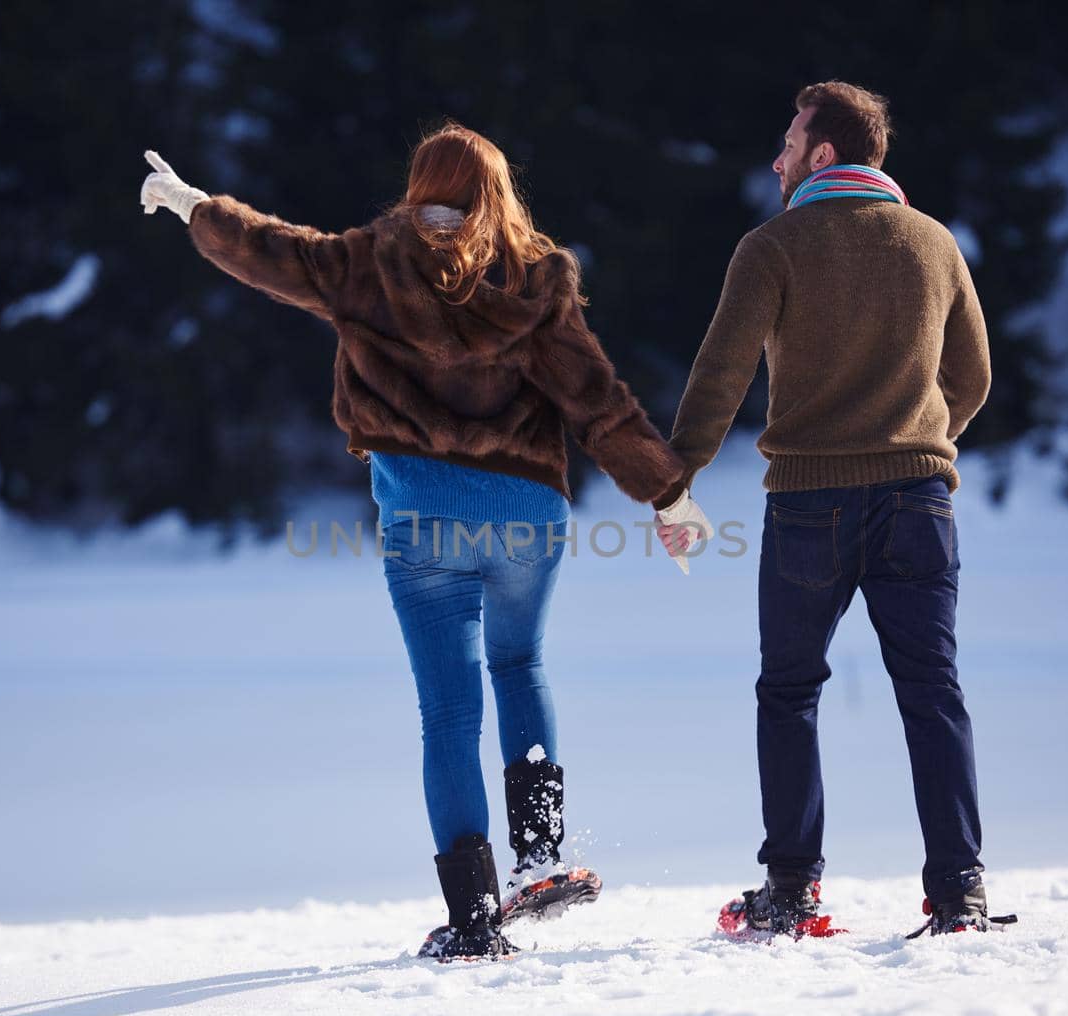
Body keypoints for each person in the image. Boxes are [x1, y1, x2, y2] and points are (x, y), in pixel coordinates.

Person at [141, 123, 685, 960]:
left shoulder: (366, 262)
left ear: (416, 182)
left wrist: (193, 208)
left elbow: (272, 253)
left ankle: (473, 921)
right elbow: (595, 398)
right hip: (526, 515)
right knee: (520, 666)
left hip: (422, 514)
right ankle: (540, 859)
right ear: (497, 190)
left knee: (448, 711)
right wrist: (667, 491)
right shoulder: (537, 277)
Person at [652, 81, 1005, 938]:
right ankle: (959, 892)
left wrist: (677, 482)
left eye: (789, 142)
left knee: (789, 694)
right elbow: (974, 380)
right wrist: (919, 440)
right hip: (919, 503)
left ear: (823, 154)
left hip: (810, 506)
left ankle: (791, 890)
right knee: (933, 692)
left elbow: (721, 377)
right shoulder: (934, 244)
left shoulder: (772, 247)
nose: (776, 159)